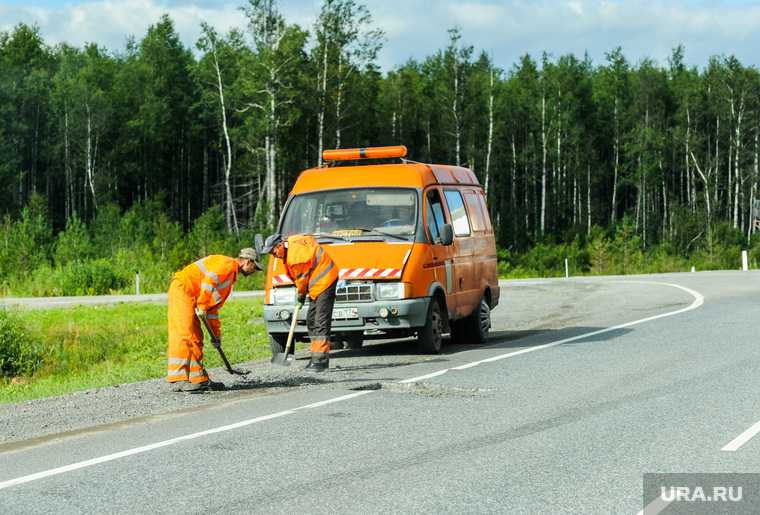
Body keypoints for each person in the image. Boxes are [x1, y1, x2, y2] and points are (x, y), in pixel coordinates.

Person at [166, 248, 262, 392]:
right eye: (255, 267)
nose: (254, 271)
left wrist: (216, 335)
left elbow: (212, 311)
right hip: (183, 289)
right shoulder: (227, 265)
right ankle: (179, 379)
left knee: (197, 337)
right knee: (184, 334)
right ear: (248, 262)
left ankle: (199, 379)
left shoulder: (229, 279)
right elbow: (208, 283)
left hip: (194, 295)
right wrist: (203, 305)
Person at [261, 233, 338, 372]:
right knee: (311, 320)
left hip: (325, 281)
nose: (274, 255)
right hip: (318, 282)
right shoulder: (292, 242)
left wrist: (301, 296)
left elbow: (301, 282)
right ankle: (316, 356)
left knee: (320, 322)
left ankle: (320, 361)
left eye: (273, 251)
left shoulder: (295, 258)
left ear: (279, 245)